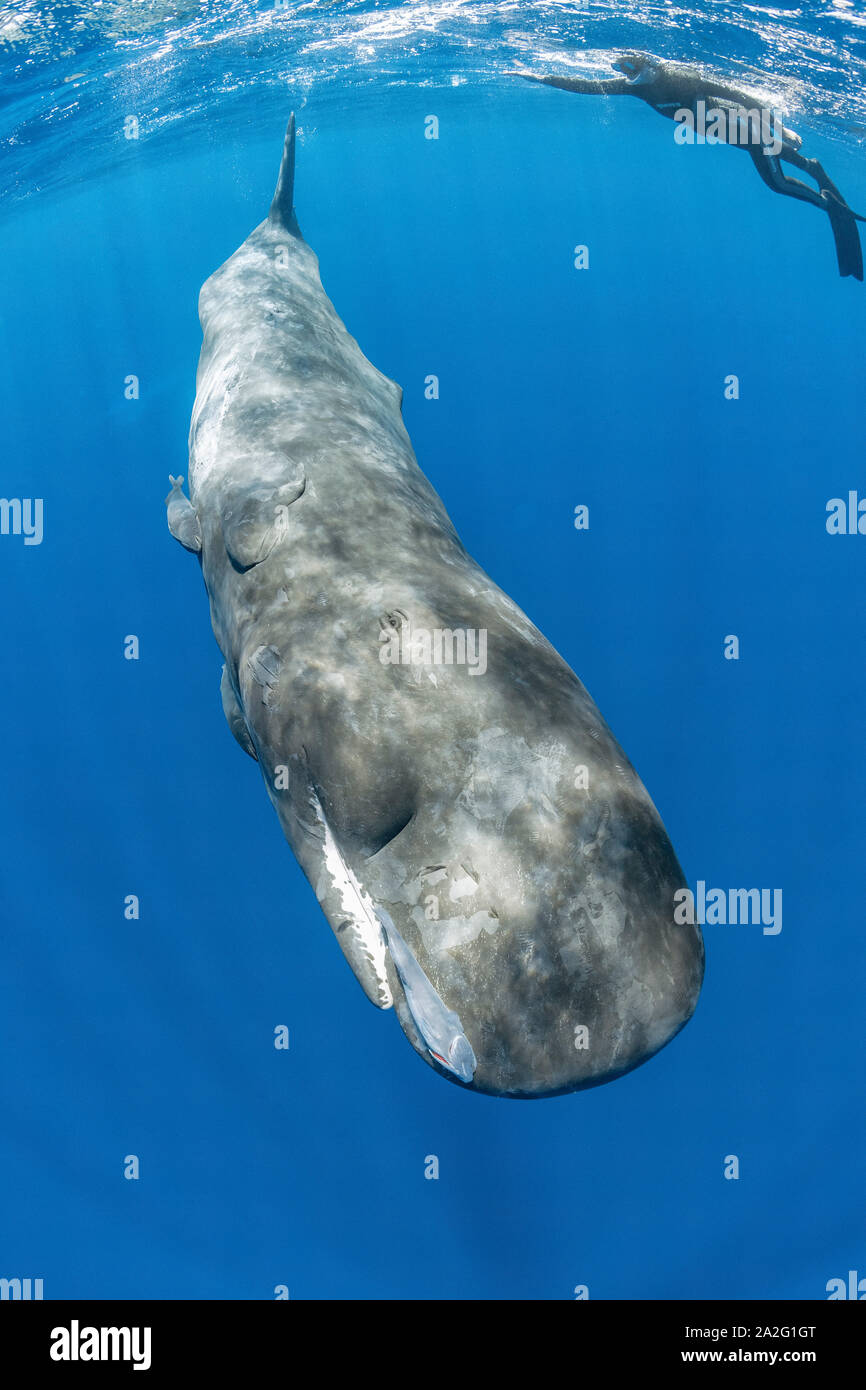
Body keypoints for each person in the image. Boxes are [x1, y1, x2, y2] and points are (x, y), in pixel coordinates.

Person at [511, 51, 865, 280]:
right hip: (737, 136)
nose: (628, 75)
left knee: (777, 183)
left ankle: (826, 204)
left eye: (633, 68)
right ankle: (812, 167)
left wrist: (779, 127)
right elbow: (589, 87)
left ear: (651, 66)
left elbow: (741, 96)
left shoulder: (681, 79)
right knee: (779, 161)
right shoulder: (639, 88)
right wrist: (541, 78)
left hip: (753, 131)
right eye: (624, 70)